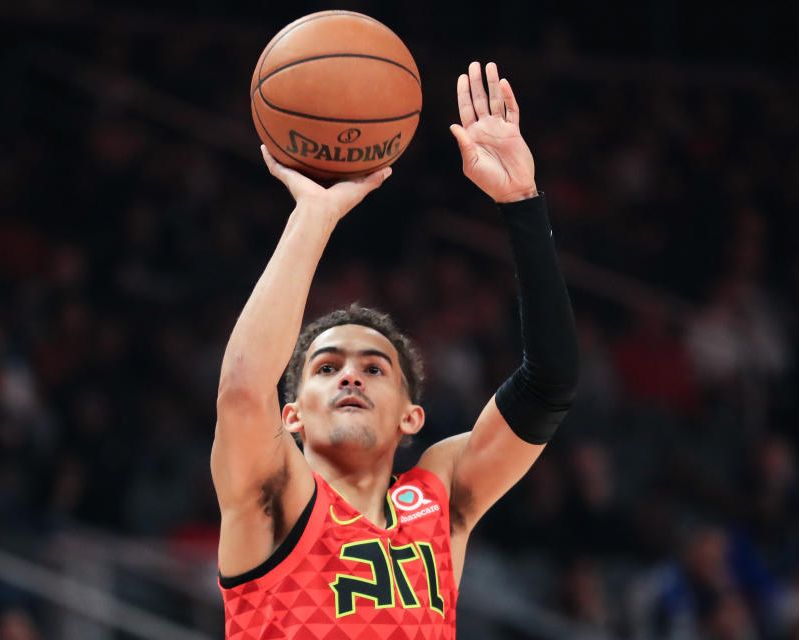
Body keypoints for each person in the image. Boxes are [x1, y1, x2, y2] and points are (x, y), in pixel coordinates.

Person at [212, 61, 579, 639]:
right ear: (292, 415)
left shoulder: (441, 493)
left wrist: (522, 202)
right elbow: (241, 390)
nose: (350, 377)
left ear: (412, 415)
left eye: (374, 367)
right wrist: (314, 214)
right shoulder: (274, 495)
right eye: (327, 367)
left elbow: (550, 382)